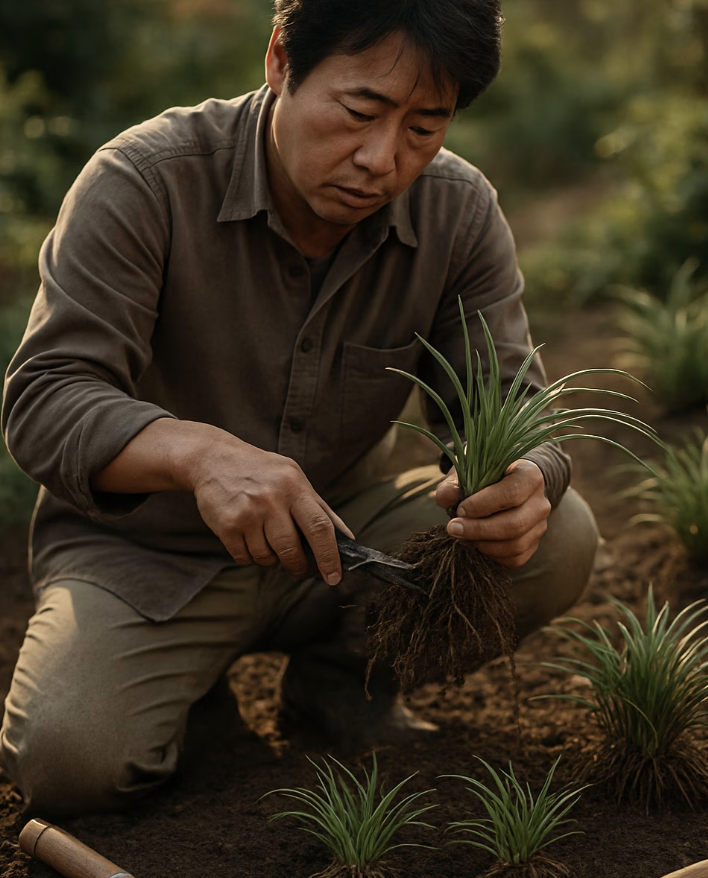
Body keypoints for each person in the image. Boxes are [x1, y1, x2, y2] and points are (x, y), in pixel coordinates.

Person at [0, 0, 599, 817]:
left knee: (558, 538)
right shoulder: (145, 181)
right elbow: (45, 397)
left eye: (426, 127)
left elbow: (513, 401)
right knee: (71, 761)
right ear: (281, 57)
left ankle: (338, 690)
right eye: (359, 112)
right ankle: (189, 697)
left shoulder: (458, 211)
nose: (382, 159)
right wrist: (198, 455)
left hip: (343, 539)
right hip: (147, 556)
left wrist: (526, 476)